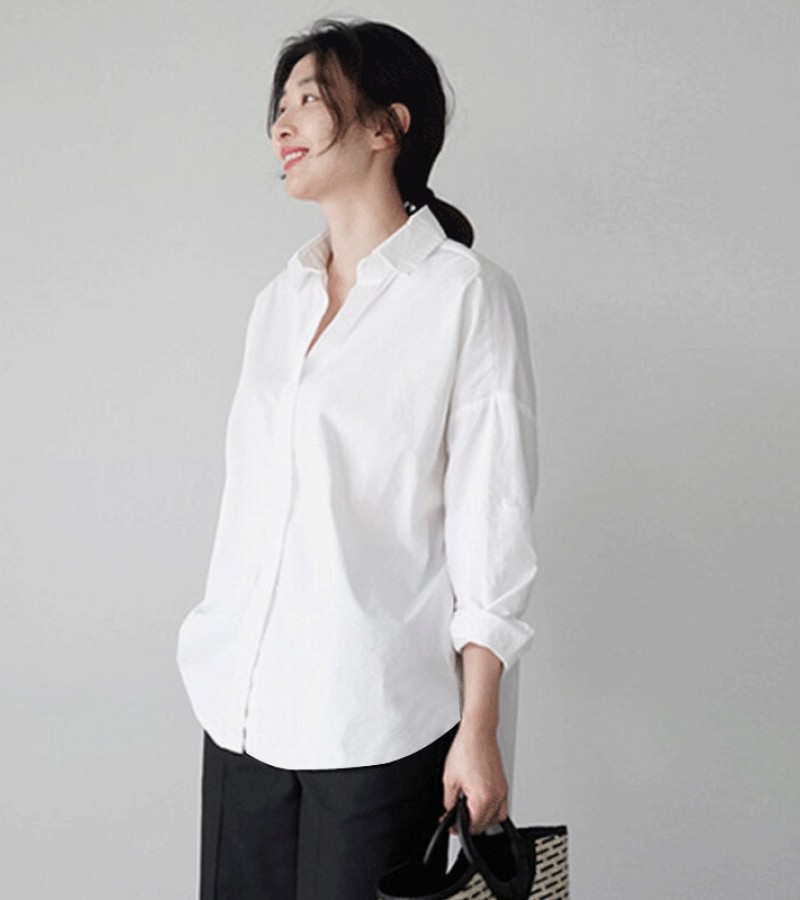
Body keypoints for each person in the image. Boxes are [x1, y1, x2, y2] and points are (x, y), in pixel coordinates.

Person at [176, 16, 539, 900]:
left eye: (310, 99)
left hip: (375, 722)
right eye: (280, 103)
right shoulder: (279, 301)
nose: (282, 123)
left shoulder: (465, 296)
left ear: (387, 126)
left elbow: (493, 526)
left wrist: (479, 730)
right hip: (242, 712)